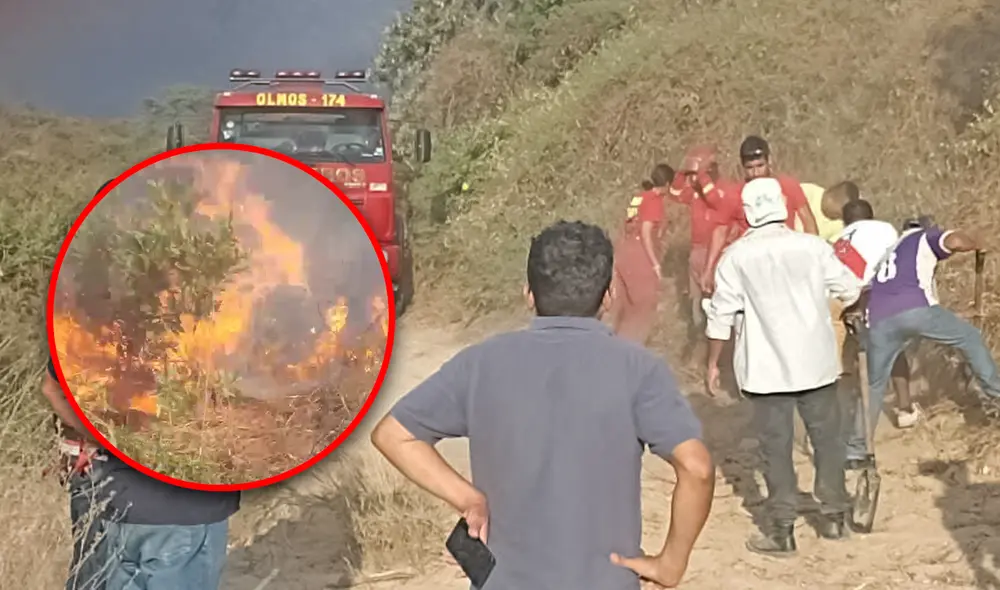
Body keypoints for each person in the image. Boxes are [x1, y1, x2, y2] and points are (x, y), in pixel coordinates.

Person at [372, 220, 716, 589]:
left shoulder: (481, 364)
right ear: (609, 296)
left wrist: (468, 498)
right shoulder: (639, 370)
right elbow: (696, 469)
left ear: (529, 294)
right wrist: (670, 564)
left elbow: (393, 435)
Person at [704, 177, 862, 555]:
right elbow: (851, 290)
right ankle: (836, 518)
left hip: (765, 370)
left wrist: (711, 363)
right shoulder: (812, 247)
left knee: (775, 451)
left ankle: (782, 530)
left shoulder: (736, 257)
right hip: (817, 364)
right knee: (827, 441)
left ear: (747, 212)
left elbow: (720, 318)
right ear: (781, 206)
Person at [846, 217, 1000, 468]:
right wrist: (976, 243)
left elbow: (867, 292)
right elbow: (954, 240)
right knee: (970, 337)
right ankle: (997, 395)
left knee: (873, 385)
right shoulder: (925, 237)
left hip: (878, 320)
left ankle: (855, 450)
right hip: (914, 309)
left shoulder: (890, 252)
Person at [832, 199, 921, 431]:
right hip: (879, 297)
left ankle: (843, 415)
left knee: (847, 358)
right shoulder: (885, 229)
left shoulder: (838, 240)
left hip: (848, 305)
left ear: (845, 222)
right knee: (894, 350)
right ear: (871, 215)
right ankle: (904, 408)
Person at [699, 135, 818, 294]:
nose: (756, 173)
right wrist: (708, 270)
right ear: (743, 167)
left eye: (760, 165)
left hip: (785, 260)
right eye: (750, 168)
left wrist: (814, 254)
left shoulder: (787, 185)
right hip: (752, 267)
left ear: (769, 162)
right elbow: (720, 230)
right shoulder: (735, 194)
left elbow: (808, 220)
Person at [43, 357, 111, 590]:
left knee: (96, 558)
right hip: (93, 460)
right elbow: (51, 389)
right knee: (94, 562)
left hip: (96, 460)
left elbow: (50, 389)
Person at [668, 145, 741, 342]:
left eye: (697, 174)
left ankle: (721, 344)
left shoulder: (725, 190)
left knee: (719, 302)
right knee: (696, 303)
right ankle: (699, 342)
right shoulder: (694, 193)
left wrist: (701, 175)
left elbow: (716, 201)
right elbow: (674, 193)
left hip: (718, 253)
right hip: (697, 253)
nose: (693, 179)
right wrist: (684, 173)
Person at [611, 164, 673, 344]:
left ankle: (614, 350)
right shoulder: (654, 201)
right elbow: (646, 231)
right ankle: (631, 356)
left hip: (624, 254)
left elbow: (627, 225)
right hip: (640, 257)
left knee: (624, 309)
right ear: (667, 184)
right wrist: (655, 264)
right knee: (642, 309)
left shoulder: (639, 198)